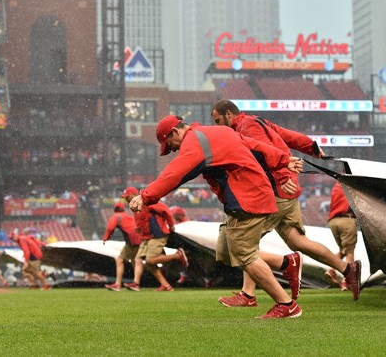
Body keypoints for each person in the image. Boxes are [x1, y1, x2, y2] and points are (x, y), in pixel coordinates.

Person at [129, 115, 304, 318]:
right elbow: (254, 145)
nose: (173, 150)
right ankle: (286, 263)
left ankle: (286, 304)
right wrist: (282, 160)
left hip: (247, 197)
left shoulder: (195, 143)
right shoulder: (217, 132)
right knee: (226, 250)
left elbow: (175, 173)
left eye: (170, 144)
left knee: (244, 254)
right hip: (249, 195)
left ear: (176, 132)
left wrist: (145, 196)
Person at [210, 99, 362, 302]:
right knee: (297, 241)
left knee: (245, 243)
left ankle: (251, 291)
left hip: (277, 191)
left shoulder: (245, 127)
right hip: (287, 191)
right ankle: (347, 268)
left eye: (218, 120)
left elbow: (264, 152)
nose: (217, 126)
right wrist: (312, 147)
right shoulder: (258, 121)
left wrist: (281, 177)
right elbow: (288, 136)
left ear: (228, 114)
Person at [122, 186, 189, 292]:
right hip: (147, 237)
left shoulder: (147, 202)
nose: (126, 199)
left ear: (133, 195)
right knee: (139, 260)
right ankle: (142, 284)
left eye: (127, 196)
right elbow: (143, 220)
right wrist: (139, 229)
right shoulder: (135, 206)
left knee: (150, 260)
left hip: (157, 235)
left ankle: (177, 255)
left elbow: (166, 211)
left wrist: (171, 226)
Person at [103, 202, 144, 292]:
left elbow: (110, 228)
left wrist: (106, 238)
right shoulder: (127, 216)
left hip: (132, 240)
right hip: (137, 238)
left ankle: (121, 284)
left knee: (127, 260)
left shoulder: (116, 216)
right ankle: (136, 283)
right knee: (133, 261)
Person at [325, 181, 358, 292]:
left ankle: (331, 270)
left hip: (334, 222)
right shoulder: (350, 184)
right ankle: (347, 280)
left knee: (343, 250)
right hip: (346, 220)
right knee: (349, 252)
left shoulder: (336, 186)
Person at [169, 206, 190, 285]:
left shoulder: (185, 224)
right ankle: (183, 275)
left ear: (180, 215)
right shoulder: (180, 223)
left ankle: (184, 275)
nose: (174, 217)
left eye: (175, 215)